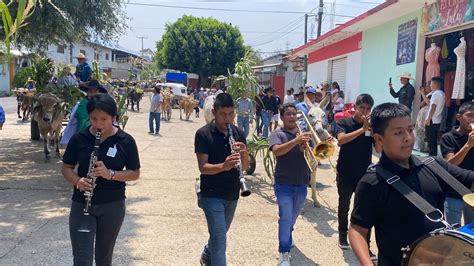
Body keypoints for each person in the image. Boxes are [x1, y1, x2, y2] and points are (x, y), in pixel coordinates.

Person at [348, 103, 474, 266]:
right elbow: (358, 229)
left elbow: (469, 179)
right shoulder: (372, 182)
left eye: (410, 129)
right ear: (379, 139)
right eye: (399, 132)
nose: (408, 137)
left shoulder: (433, 165)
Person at [61, 93, 140, 265]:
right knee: (82, 258)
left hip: (112, 204)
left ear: (114, 117)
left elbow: (134, 173)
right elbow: (66, 168)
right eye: (94, 119)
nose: (98, 124)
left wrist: (110, 174)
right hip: (82, 203)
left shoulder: (125, 141)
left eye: (104, 119)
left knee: (104, 257)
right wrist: (77, 181)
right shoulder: (79, 139)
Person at [194, 93, 250, 266]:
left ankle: (206, 253)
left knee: (219, 234)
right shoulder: (203, 134)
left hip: (232, 193)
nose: (228, 119)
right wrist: (223, 166)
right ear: (214, 112)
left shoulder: (238, 132)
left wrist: (244, 152)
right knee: (220, 242)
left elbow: (246, 166)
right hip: (211, 194)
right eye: (223, 114)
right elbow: (203, 168)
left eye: (231, 114)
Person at [269, 103, 312, 266]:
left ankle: (288, 233)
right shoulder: (277, 133)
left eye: (294, 114)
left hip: (301, 182)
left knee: (292, 217)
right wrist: (296, 141)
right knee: (286, 216)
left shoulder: (305, 135)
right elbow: (277, 151)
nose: (292, 117)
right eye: (288, 114)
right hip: (284, 183)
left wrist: (307, 147)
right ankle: (284, 252)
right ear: (282, 117)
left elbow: (314, 155)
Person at [335, 94, 376, 259]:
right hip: (345, 172)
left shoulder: (372, 127)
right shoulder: (344, 122)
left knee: (365, 210)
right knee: (344, 206)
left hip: (364, 175)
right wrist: (362, 130)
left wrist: (375, 134)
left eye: (368, 109)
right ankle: (342, 235)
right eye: (362, 108)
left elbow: (379, 150)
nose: (364, 112)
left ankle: (366, 243)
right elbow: (341, 140)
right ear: (355, 107)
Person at [440, 101, 474, 225]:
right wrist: (468, 145)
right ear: (458, 117)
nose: (472, 119)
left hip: (472, 192)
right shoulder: (448, 138)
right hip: (453, 191)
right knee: (454, 231)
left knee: (471, 230)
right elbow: (450, 164)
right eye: (469, 115)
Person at [60, 80, 107, 145]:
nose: (92, 94)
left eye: (95, 91)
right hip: (82, 140)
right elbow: (72, 124)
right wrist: (69, 140)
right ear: (87, 92)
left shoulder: (105, 106)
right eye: (90, 91)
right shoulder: (79, 106)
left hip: (100, 141)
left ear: (99, 92)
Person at [424, 76, 445, 156]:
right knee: (434, 141)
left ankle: (431, 157)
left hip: (432, 120)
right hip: (438, 120)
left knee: (431, 140)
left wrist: (428, 119)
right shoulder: (442, 93)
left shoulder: (436, 94)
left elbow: (433, 107)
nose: (430, 85)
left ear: (435, 84)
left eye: (431, 83)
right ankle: (433, 157)